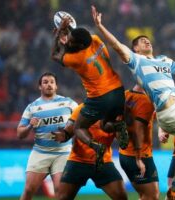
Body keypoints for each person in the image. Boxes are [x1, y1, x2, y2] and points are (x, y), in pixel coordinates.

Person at [92, 5, 175, 199]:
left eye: (147, 40)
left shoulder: (164, 60)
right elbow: (117, 46)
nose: (146, 41)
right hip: (170, 111)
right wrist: (100, 27)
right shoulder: (136, 61)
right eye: (141, 41)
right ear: (135, 48)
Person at [51, 16, 129, 161]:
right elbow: (80, 38)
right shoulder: (95, 39)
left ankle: (96, 146)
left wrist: (58, 34)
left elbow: (55, 55)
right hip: (118, 90)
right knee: (105, 125)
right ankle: (119, 126)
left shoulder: (77, 59)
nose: (69, 41)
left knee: (79, 128)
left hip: (100, 96)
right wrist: (68, 30)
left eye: (71, 40)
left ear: (79, 46)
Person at [17, 72, 78, 200]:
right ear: (40, 87)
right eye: (45, 82)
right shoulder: (32, 107)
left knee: (61, 192)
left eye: (52, 82)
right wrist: (29, 126)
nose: (49, 84)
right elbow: (19, 133)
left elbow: (82, 121)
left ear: (56, 86)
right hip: (41, 153)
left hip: (63, 153)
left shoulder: (69, 103)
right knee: (28, 190)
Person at [52, 103, 128, 200]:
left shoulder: (117, 113)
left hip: (103, 161)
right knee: (62, 198)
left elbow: (122, 142)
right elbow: (69, 130)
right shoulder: (83, 108)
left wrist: (121, 129)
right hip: (78, 161)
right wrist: (64, 135)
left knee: (121, 197)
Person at [119, 84, 159, 200]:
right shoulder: (144, 100)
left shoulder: (125, 95)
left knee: (145, 195)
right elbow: (138, 130)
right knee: (151, 196)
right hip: (139, 155)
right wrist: (139, 158)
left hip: (125, 153)